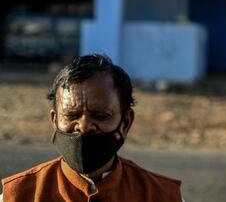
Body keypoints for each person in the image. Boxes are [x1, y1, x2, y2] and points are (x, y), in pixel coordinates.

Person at [0, 54, 184, 202]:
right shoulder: (18, 195)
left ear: (126, 122)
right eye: (72, 116)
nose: (84, 126)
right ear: (54, 121)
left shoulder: (162, 195)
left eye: (101, 116)